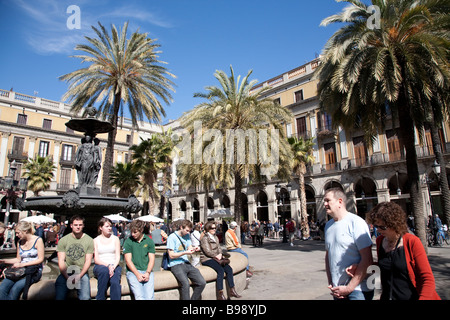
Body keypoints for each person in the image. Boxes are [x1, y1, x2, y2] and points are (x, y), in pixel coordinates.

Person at [366, 202, 440, 300]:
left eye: (382, 227)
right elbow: (388, 266)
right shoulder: (380, 241)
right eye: (376, 226)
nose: (378, 230)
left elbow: (427, 279)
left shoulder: (412, 242)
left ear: (394, 224)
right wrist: (362, 267)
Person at [324, 188, 373, 300]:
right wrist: (331, 282)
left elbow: (367, 259)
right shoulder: (328, 226)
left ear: (340, 202)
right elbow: (328, 256)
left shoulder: (356, 222)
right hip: (338, 290)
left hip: (358, 290)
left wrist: (349, 288)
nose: (325, 204)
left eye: (328, 200)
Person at [0, 221, 44, 300]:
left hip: (33, 271)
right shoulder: (19, 242)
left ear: (25, 231)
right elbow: (18, 259)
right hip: (19, 271)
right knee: (2, 288)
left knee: (15, 289)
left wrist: (21, 265)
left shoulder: (38, 240)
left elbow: (40, 259)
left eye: (18, 233)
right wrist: (3, 261)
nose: (16, 235)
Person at [55, 215, 94, 300]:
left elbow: (88, 261)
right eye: (76, 225)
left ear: (83, 226)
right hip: (66, 272)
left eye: (80, 225)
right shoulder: (63, 240)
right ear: (71, 225)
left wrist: (79, 276)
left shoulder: (89, 240)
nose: (78, 227)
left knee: (85, 297)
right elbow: (61, 261)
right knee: (59, 297)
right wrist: (67, 277)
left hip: (81, 273)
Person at [201, 221, 241, 300]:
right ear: (208, 229)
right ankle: (220, 294)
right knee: (220, 271)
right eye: (212, 228)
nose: (214, 229)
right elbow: (207, 251)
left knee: (229, 269)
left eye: (215, 228)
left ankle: (232, 290)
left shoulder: (215, 237)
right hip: (207, 258)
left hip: (217, 257)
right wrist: (216, 256)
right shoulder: (205, 238)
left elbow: (219, 247)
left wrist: (220, 254)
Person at [167, 219, 206, 300]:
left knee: (202, 282)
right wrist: (184, 253)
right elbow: (171, 255)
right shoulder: (172, 237)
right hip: (176, 264)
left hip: (186, 263)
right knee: (185, 284)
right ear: (181, 227)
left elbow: (189, 247)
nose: (188, 232)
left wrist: (194, 249)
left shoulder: (187, 236)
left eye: (189, 231)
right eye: (187, 230)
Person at [122, 219, 156, 300]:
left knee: (150, 297)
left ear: (141, 230)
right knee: (139, 297)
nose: (132, 234)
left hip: (147, 271)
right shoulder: (128, 242)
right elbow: (128, 260)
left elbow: (152, 259)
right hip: (133, 272)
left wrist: (147, 272)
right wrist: (137, 274)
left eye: (135, 232)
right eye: (132, 232)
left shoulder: (149, 241)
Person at [93, 217, 122, 300]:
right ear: (100, 228)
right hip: (100, 265)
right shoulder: (95, 240)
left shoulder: (116, 239)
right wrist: (108, 265)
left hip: (114, 265)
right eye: (107, 226)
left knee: (115, 282)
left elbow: (118, 256)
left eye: (110, 226)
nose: (109, 228)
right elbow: (96, 259)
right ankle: (100, 297)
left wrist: (113, 266)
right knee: (104, 271)